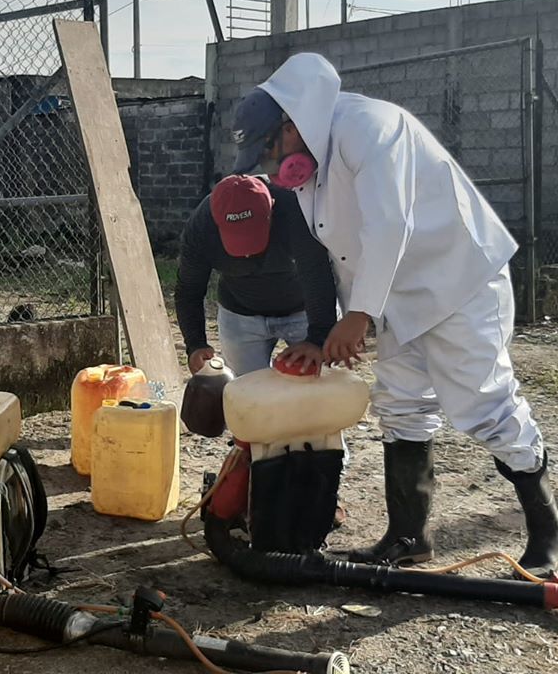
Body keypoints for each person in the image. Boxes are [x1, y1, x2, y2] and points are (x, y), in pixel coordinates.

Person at [231, 52, 558, 576]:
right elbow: (325, 255)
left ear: (291, 126)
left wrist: (359, 315)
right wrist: (324, 332)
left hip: (457, 282)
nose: (272, 170)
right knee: (402, 405)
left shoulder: (370, 127)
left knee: (485, 405)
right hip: (392, 297)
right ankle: (408, 539)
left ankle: (547, 538)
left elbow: (389, 226)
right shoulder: (308, 171)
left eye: (270, 152)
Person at [175, 174, 337, 378]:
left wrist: (318, 338)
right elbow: (189, 289)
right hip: (240, 314)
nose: (247, 254)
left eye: (251, 234)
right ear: (217, 221)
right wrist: (195, 344)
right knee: (245, 390)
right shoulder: (201, 226)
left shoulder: (296, 209)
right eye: (237, 237)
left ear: (271, 210)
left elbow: (317, 275)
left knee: (321, 385)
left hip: (305, 311)